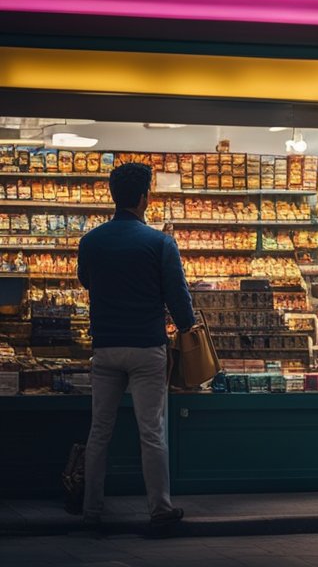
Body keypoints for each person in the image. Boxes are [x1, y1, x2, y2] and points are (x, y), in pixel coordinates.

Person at [77, 162, 196, 526]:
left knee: (100, 429)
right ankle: (159, 508)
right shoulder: (160, 243)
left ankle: (91, 508)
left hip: (106, 346)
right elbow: (178, 297)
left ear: (113, 195)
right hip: (147, 347)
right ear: (145, 197)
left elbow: (86, 282)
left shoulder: (91, 241)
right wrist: (189, 329)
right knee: (152, 430)